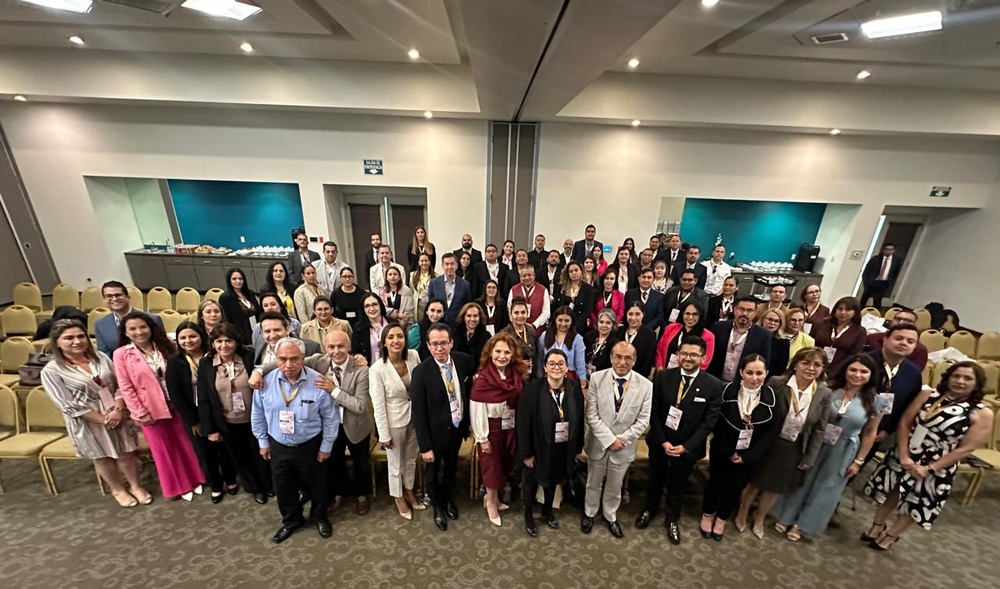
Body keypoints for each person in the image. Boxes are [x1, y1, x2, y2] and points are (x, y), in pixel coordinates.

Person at [862, 361, 993, 550]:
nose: (960, 381)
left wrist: (929, 468)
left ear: (977, 383)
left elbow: (966, 448)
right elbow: (904, 423)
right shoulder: (928, 395)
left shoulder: (982, 412)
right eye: (956, 376)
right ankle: (876, 526)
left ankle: (891, 535)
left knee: (917, 501)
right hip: (906, 451)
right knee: (891, 490)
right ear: (948, 377)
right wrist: (904, 455)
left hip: (938, 464)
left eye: (968, 378)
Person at [773, 354, 884, 540]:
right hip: (816, 441)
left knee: (827, 487)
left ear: (871, 375)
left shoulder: (877, 401)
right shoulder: (827, 388)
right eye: (853, 369)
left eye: (863, 371)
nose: (857, 375)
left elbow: (870, 432)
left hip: (844, 447)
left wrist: (859, 461)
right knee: (802, 478)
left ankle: (802, 524)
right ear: (845, 370)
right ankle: (786, 515)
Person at [41, 319, 148, 508]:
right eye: (69, 338)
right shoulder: (52, 371)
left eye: (81, 336)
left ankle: (135, 485)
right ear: (57, 342)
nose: (77, 341)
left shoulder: (100, 357)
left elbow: (121, 384)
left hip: (116, 412)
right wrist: (103, 419)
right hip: (88, 421)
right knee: (102, 456)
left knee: (127, 452)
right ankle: (117, 489)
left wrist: (117, 410)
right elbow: (67, 404)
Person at [734, 347, 832, 540]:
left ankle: (760, 517)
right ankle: (742, 512)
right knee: (755, 481)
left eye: (817, 365)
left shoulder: (824, 393)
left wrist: (810, 456)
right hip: (768, 441)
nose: (811, 368)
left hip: (794, 446)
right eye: (806, 363)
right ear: (795, 364)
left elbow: (820, 428)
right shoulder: (777, 383)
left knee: (775, 487)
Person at [251, 337, 339, 544]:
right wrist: (262, 442)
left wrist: (327, 445)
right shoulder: (265, 382)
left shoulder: (318, 382)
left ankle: (319, 516)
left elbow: (330, 418)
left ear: (303, 358)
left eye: (294, 359)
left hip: (311, 444)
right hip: (278, 445)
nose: (288, 365)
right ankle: (291, 521)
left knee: (318, 485)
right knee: (283, 487)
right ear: (276, 359)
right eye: (282, 359)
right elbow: (257, 413)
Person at [637, 336, 724, 544]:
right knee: (654, 478)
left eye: (693, 354)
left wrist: (685, 447)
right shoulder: (663, 377)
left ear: (703, 358)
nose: (687, 358)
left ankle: (672, 518)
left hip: (688, 447)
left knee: (678, 484)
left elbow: (709, 423)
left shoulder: (713, 385)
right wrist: (663, 442)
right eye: (683, 353)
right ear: (677, 355)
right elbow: (653, 412)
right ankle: (649, 509)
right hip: (661, 441)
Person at [113, 312, 204, 500]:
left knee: (185, 443)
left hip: (175, 403)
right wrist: (139, 412)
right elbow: (125, 386)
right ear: (126, 332)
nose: (139, 332)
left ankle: (197, 478)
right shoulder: (122, 354)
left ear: (150, 327)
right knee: (164, 449)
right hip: (149, 408)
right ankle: (179, 486)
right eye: (133, 329)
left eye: (143, 327)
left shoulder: (166, 345)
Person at [700, 354, 781, 541]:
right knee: (715, 483)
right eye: (749, 372)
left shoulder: (772, 398)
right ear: (741, 372)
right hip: (723, 448)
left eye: (759, 373)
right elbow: (715, 423)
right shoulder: (726, 391)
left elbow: (771, 432)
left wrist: (749, 456)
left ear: (766, 373)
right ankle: (708, 514)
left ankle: (721, 518)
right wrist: (729, 451)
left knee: (735, 488)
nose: (754, 378)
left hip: (749, 455)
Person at [581, 342, 653, 538]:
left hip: (623, 446)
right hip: (598, 442)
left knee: (615, 485)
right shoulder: (597, 378)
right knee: (593, 482)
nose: (622, 362)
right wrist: (609, 440)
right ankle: (589, 512)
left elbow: (643, 420)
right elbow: (591, 415)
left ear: (634, 360)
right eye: (618, 357)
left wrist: (620, 440)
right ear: (611, 358)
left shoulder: (646, 386)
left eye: (628, 358)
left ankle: (610, 515)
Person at [196, 323, 272, 504]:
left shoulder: (249, 357)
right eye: (219, 341)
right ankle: (255, 489)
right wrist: (210, 429)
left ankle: (269, 485)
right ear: (213, 343)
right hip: (227, 422)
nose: (224, 345)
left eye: (228, 340)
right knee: (241, 458)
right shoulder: (206, 364)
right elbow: (204, 398)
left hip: (255, 419)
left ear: (236, 342)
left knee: (262, 454)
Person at [410, 323, 475, 531]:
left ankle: (448, 500)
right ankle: (437, 506)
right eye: (435, 344)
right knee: (433, 473)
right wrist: (425, 446)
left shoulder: (463, 361)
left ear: (451, 343)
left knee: (451, 469)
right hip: (434, 435)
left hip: (456, 429)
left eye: (444, 343)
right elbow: (418, 412)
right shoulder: (421, 372)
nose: (440, 348)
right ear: (428, 346)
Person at [166, 322, 238, 504]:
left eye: (192, 336)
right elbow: (176, 396)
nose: (188, 341)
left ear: (201, 336)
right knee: (205, 452)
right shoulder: (175, 362)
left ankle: (230, 479)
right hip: (195, 414)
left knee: (225, 448)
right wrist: (193, 421)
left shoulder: (213, 356)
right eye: (183, 338)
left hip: (219, 409)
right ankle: (215, 485)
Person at [518, 349, 585, 537]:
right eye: (552, 364)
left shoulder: (574, 388)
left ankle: (547, 510)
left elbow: (580, 419)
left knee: (554, 479)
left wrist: (577, 447)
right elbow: (523, 423)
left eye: (561, 363)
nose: (557, 367)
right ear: (545, 368)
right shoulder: (532, 390)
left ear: (567, 367)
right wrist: (527, 453)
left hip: (563, 445)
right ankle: (528, 515)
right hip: (537, 446)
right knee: (531, 482)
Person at [307, 330, 373, 516]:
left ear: (349, 346)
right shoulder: (318, 362)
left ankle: (362, 495)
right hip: (330, 426)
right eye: (331, 347)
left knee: (360, 464)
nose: (336, 351)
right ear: (325, 348)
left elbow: (359, 406)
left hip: (356, 425)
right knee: (335, 462)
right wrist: (259, 371)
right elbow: (289, 359)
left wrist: (333, 390)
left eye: (341, 346)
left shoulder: (361, 369)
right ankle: (342, 493)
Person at [370, 323, 425, 519]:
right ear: (384, 342)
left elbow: (420, 387)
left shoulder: (413, 356)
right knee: (395, 462)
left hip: (414, 417)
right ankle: (398, 496)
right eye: (391, 337)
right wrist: (383, 434)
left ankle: (409, 490)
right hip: (393, 421)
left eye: (400, 336)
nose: (396, 340)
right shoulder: (377, 369)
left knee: (410, 458)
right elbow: (378, 404)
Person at [471, 333, 527, 526]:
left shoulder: (514, 376)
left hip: (509, 427)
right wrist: (482, 438)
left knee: (504, 465)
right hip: (490, 430)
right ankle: (491, 504)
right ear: (490, 353)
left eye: (507, 352)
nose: (502, 356)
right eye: (498, 351)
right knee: (491, 469)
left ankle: (492, 498)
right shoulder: (483, 379)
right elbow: (477, 410)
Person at [863, 323, 923, 465]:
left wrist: (887, 429)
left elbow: (906, 408)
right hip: (850, 426)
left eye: (910, 341)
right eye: (899, 338)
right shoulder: (863, 362)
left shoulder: (913, 374)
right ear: (885, 339)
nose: (904, 343)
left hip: (878, 433)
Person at [707, 297, 773, 382]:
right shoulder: (718, 327)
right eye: (741, 309)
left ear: (755, 313)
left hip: (742, 382)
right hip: (714, 379)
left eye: (749, 310)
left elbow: (764, 362)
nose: (744, 313)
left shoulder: (763, 335)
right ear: (734, 310)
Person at [94, 280, 164, 358]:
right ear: (104, 299)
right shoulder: (100, 325)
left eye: (118, 295)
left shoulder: (153, 319)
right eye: (109, 296)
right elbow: (105, 355)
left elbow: (163, 347)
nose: (114, 299)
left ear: (128, 297)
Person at [537, 306, 588, 391]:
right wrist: (539, 378)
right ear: (555, 320)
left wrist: (583, 384)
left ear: (572, 321)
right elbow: (539, 359)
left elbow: (580, 363)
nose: (563, 324)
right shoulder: (545, 336)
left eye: (567, 321)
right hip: (548, 377)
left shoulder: (577, 339)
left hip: (568, 378)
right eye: (560, 320)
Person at [812, 296, 866, 375]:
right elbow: (810, 344)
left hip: (839, 371)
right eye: (840, 309)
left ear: (855, 312)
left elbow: (853, 356)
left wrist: (836, 372)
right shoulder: (822, 324)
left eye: (848, 310)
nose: (843, 312)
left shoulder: (860, 331)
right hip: (814, 366)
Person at [655, 302, 715, 372]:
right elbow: (659, 350)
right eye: (687, 313)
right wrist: (660, 369)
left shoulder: (708, 336)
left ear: (700, 315)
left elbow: (704, 363)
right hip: (663, 372)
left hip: (688, 375)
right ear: (682, 314)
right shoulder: (671, 328)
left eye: (695, 314)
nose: (690, 317)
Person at [253, 311, 321, 365]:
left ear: (287, 330)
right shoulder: (260, 344)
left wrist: (260, 370)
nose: (272, 336)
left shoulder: (310, 348)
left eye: (277, 330)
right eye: (267, 331)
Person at [218, 268, 261, 345]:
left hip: (255, 330)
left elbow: (258, 311)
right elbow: (227, 319)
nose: (238, 281)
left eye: (240, 279)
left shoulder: (250, 293)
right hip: (239, 334)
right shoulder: (225, 298)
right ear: (229, 281)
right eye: (234, 279)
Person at [427, 253, 472, 326]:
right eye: (447, 264)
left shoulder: (465, 285)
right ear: (443, 266)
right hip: (438, 324)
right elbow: (430, 303)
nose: (449, 267)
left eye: (452, 264)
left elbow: (467, 305)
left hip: (458, 325)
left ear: (456, 266)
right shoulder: (434, 283)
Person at [617, 303, 657, 379]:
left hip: (637, 377)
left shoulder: (650, 335)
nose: (633, 318)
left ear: (643, 314)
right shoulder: (619, 331)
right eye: (630, 314)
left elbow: (647, 362)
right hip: (617, 374)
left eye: (637, 314)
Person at [502, 298, 538, 379]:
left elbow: (536, 355)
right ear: (510, 315)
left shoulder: (532, 331)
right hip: (511, 377)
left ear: (527, 313)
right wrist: (519, 363)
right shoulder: (504, 335)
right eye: (516, 313)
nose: (520, 316)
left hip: (530, 376)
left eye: (523, 312)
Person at [508, 264, 551, 330]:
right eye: (524, 276)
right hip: (517, 329)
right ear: (520, 277)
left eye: (529, 275)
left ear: (534, 276)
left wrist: (534, 325)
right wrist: (520, 323)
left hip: (537, 330)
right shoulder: (513, 290)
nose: (527, 278)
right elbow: (509, 309)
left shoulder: (543, 290)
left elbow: (546, 312)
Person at [554, 260, 594, 333]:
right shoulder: (560, 287)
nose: (574, 273)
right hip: (561, 325)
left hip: (580, 327)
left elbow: (588, 309)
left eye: (576, 270)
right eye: (571, 271)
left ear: (581, 271)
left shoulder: (588, 289)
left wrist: (576, 325)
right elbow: (556, 306)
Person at [351, 293, 389, 365]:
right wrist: (358, 356)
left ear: (380, 305)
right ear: (363, 309)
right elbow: (354, 352)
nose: (371, 309)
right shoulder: (358, 328)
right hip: (370, 368)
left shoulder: (392, 323)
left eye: (375, 304)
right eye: (367, 306)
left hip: (392, 367)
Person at [860, 244, 901, 309]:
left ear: (894, 251)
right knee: (864, 299)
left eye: (891, 249)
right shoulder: (875, 259)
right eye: (887, 249)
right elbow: (866, 271)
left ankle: (876, 313)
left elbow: (896, 273)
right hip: (872, 282)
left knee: (877, 301)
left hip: (883, 283)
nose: (889, 251)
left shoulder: (896, 260)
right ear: (883, 250)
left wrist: (890, 283)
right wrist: (866, 282)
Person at [583, 309, 619, 379]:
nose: (604, 325)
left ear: (613, 325)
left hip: (603, 379)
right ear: (597, 323)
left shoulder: (615, 344)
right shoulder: (588, 336)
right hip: (584, 377)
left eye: (608, 323)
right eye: (601, 322)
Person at [454, 302, 490, 370]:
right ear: (464, 317)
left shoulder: (486, 336)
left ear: (480, 317)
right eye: (469, 316)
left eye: (475, 316)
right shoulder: (455, 334)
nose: (472, 319)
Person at [379, 266, 415, 330]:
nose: (392, 276)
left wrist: (401, 324)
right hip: (387, 325)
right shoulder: (383, 291)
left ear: (399, 277)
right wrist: (398, 315)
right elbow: (382, 308)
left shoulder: (406, 290)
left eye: (395, 274)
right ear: (386, 277)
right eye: (390, 274)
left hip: (404, 324)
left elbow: (409, 310)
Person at [759, 308, 791, 375]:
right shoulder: (753, 337)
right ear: (763, 320)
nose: (772, 323)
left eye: (776, 321)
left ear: (780, 324)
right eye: (770, 319)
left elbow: (781, 368)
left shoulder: (783, 343)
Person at [410, 251, 436, 323]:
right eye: (422, 261)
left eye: (426, 261)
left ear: (430, 262)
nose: (424, 263)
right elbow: (412, 291)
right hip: (418, 305)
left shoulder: (436, 276)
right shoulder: (412, 275)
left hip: (430, 304)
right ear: (418, 262)